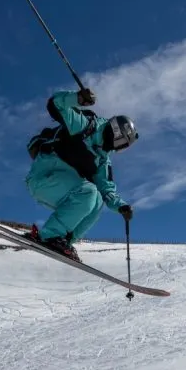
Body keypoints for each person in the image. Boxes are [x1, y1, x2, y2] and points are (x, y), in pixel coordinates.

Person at [23, 87, 137, 262]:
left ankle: (65, 241)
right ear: (116, 132)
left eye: (122, 147)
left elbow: (106, 190)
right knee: (89, 191)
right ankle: (51, 235)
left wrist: (121, 206)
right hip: (43, 177)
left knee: (98, 200)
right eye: (121, 144)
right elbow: (56, 105)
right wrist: (78, 99)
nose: (117, 149)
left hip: (62, 187)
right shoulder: (86, 126)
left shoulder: (102, 159)